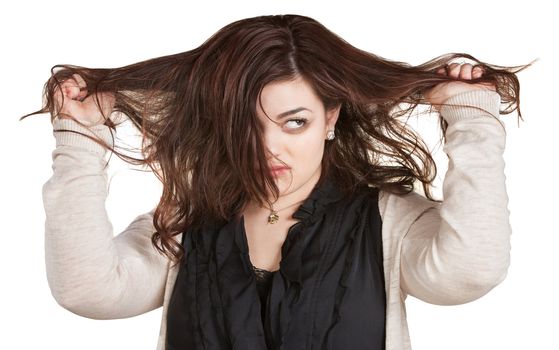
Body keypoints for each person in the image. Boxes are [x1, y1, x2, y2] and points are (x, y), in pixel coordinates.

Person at [24, 14, 532, 350]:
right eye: (248, 124)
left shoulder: (388, 222)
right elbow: (87, 290)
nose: (270, 147)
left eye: (295, 122)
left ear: (330, 118)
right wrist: (80, 139)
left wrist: (472, 120)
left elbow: (471, 270)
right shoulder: (186, 223)